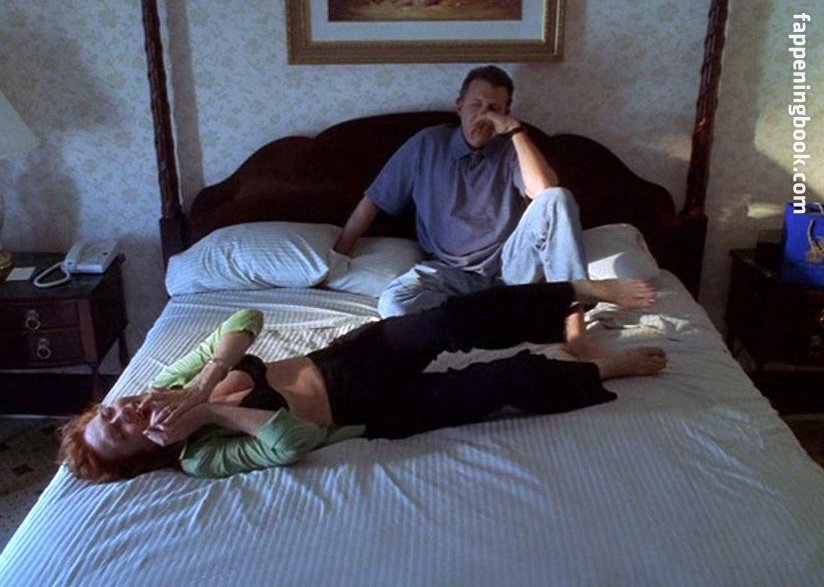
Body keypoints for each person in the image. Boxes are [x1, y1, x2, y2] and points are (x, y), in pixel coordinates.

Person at [59, 278, 666, 483]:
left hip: (350, 359)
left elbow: (245, 319)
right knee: (507, 381)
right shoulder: (200, 457)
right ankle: (599, 368)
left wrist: (202, 384)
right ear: (147, 452)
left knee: (451, 319)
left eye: (108, 412)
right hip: (378, 411)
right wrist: (211, 413)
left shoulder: (169, 380)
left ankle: (575, 293)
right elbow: (294, 442)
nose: (124, 413)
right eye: (123, 432)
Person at [335, 65, 595, 344]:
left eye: (493, 109)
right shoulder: (426, 145)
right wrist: (337, 257)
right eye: (475, 105)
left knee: (558, 197)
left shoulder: (512, 149)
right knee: (395, 302)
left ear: (506, 114)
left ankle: (575, 330)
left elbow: (544, 191)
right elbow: (373, 201)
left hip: (511, 270)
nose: (483, 116)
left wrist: (515, 131)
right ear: (459, 105)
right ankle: (500, 318)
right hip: (450, 273)